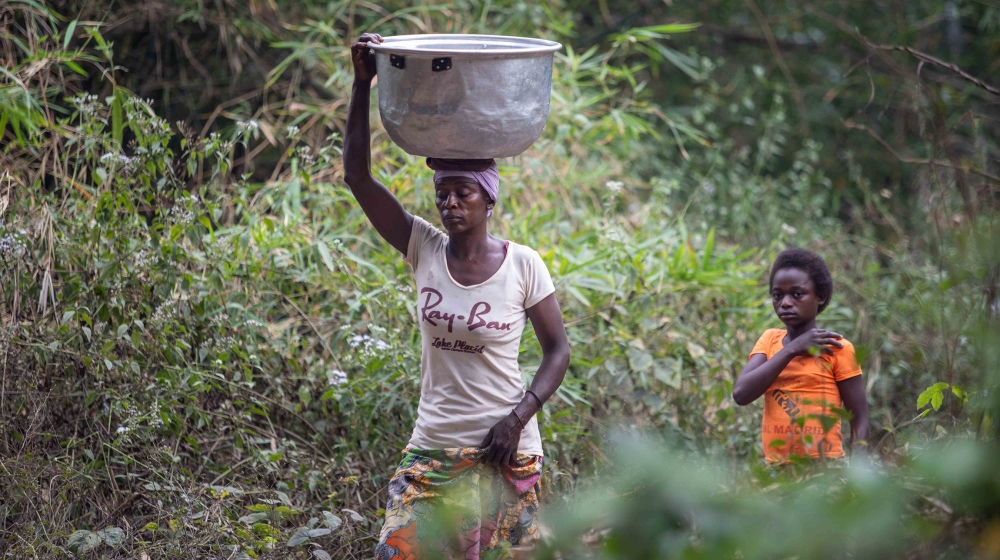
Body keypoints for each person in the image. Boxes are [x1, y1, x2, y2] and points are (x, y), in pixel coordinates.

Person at [344, 33, 571, 559]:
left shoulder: (523, 264)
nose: (449, 203)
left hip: (506, 451)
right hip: (432, 449)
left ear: (488, 200)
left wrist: (518, 418)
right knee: (394, 552)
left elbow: (558, 350)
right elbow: (357, 177)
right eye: (442, 194)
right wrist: (362, 85)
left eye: (462, 193)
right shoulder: (422, 246)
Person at [732, 248, 869, 463]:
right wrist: (792, 349)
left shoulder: (837, 348)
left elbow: (859, 417)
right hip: (776, 470)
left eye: (797, 294)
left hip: (824, 468)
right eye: (778, 295)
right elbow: (741, 394)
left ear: (820, 297)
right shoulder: (769, 341)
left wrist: (858, 470)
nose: (785, 303)